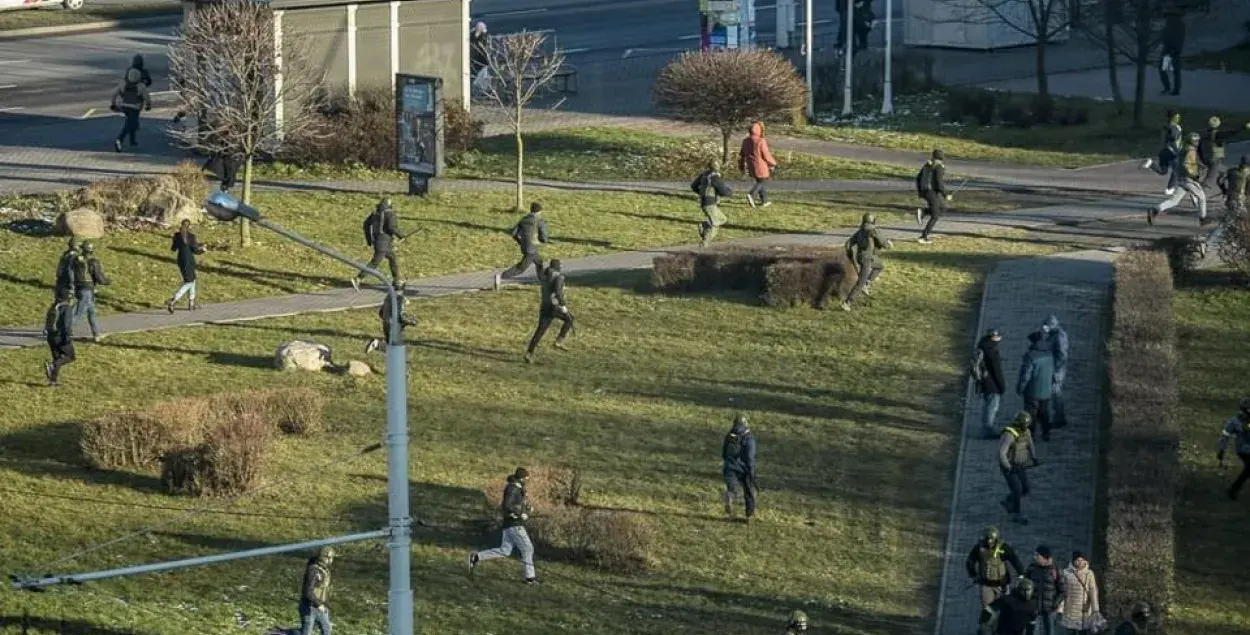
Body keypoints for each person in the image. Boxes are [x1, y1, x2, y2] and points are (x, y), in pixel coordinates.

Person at [469, 467, 539, 584]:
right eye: (526, 479)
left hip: (510, 524)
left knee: (504, 551)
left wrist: (527, 508)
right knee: (528, 548)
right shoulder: (513, 488)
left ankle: (476, 557)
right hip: (515, 524)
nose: (527, 481)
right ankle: (530, 578)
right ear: (521, 478)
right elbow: (507, 506)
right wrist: (521, 514)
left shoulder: (517, 489)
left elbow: (516, 504)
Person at [1148, 132, 1208, 226]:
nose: (1198, 142)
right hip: (1189, 179)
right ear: (1193, 142)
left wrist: (1199, 165)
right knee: (1201, 197)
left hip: (1181, 178)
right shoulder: (1191, 151)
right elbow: (1186, 164)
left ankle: (1155, 209)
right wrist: (1194, 175)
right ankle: (1203, 218)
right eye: (1197, 141)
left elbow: (1184, 162)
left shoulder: (1183, 149)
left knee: (1174, 201)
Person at [351, 198, 410, 291]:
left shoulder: (375, 213)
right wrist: (401, 236)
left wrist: (369, 240)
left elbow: (366, 224)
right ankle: (358, 278)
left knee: (392, 258)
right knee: (375, 262)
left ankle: (397, 280)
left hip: (379, 242)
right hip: (384, 243)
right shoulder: (390, 214)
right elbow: (391, 227)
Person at [837, 213, 892, 312]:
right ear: (873, 221)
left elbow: (848, 243)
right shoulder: (873, 231)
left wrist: (849, 253)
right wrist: (889, 244)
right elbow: (883, 242)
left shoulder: (859, 232)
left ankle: (867, 282)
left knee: (879, 266)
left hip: (862, 258)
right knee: (860, 283)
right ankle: (847, 302)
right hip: (867, 259)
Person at [523, 259, 574, 363]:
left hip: (544, 306)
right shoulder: (559, 277)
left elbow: (539, 273)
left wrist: (539, 265)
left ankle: (529, 353)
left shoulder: (544, 276)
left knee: (540, 331)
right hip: (554, 306)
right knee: (570, 319)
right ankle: (559, 341)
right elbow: (558, 292)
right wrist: (563, 305)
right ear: (558, 267)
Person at [965, 525, 1025, 608]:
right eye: (987, 539)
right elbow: (970, 561)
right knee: (987, 610)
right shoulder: (979, 548)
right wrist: (973, 574)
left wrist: (1021, 573)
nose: (989, 541)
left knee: (1005, 608)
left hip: (1002, 584)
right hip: (986, 584)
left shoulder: (1003, 548)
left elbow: (1013, 558)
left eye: (991, 539)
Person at [495, 202, 550, 289]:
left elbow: (513, 233)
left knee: (539, 262)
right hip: (532, 248)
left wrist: (520, 242)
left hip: (525, 246)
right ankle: (501, 277)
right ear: (539, 212)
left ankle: (543, 280)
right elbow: (543, 236)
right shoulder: (539, 221)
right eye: (540, 212)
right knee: (521, 267)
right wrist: (544, 241)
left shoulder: (523, 219)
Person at [998, 411, 1038, 525]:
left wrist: (1034, 457)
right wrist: (1008, 467)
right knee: (1017, 489)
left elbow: (1030, 444)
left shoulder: (1026, 432)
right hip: (1010, 466)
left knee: (1025, 488)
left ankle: (1009, 500)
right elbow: (1001, 453)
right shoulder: (1009, 435)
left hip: (1021, 465)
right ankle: (1016, 514)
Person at [1017, 331, 1055, 441]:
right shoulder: (1050, 355)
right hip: (1046, 390)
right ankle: (1046, 432)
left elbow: (1026, 375)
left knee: (1030, 413)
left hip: (1032, 390)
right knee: (1044, 411)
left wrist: (1020, 388)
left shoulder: (1030, 356)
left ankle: (1031, 434)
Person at [72, 241, 110, 342]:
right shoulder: (93, 261)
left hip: (79, 288)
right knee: (78, 314)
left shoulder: (76, 259)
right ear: (91, 251)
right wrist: (107, 281)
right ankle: (62, 332)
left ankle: (96, 334)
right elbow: (99, 277)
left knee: (92, 312)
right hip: (87, 290)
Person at [722, 414, 757, 521]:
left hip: (729, 466)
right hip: (744, 468)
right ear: (745, 423)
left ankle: (730, 496)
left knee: (732, 488)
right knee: (749, 491)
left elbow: (724, 452)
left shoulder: (729, 435)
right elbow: (750, 456)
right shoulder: (748, 437)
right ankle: (749, 515)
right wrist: (751, 472)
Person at [365, 283, 418, 355]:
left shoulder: (388, 297)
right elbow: (401, 316)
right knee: (396, 350)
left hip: (386, 325)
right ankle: (377, 344)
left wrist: (386, 319)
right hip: (394, 327)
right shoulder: (399, 299)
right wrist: (412, 321)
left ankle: (378, 345)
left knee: (392, 349)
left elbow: (381, 313)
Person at [1198, 117, 1250, 190]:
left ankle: (1225, 190)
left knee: (1222, 174)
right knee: (1211, 176)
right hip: (1214, 158)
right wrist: (1242, 128)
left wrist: (1201, 158)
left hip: (1206, 157)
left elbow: (1199, 148)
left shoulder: (1204, 134)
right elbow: (1230, 133)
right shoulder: (1216, 134)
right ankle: (1201, 188)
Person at [973, 329, 1007, 439]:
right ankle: (987, 430)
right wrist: (1002, 387)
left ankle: (985, 427)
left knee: (987, 405)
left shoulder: (982, 346)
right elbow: (997, 372)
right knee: (992, 406)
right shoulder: (992, 352)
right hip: (992, 385)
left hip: (983, 381)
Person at [692, 159, 733, 247]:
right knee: (715, 223)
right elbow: (723, 191)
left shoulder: (704, 175)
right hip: (710, 203)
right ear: (718, 167)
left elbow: (693, 186)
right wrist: (730, 192)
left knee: (722, 219)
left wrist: (701, 193)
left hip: (704, 202)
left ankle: (704, 224)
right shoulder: (715, 177)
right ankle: (705, 242)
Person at [1024, 545, 1064, 635]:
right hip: (1033, 606)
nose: (1035, 557)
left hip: (1049, 608)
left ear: (1044, 557)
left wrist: (1055, 604)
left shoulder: (1054, 570)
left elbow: (1062, 590)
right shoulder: (1031, 568)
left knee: (1049, 631)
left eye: (1037, 555)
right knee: (1031, 631)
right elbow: (1024, 585)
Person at [1141, 110, 1183, 194]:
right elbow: (1174, 138)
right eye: (1177, 117)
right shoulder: (1175, 127)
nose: (1178, 118)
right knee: (1176, 170)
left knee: (1163, 171)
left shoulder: (1165, 126)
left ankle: (1151, 164)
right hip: (1172, 152)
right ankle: (1170, 188)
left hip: (1163, 151)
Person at [1059, 552, 1101, 635]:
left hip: (1083, 609)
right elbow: (1063, 591)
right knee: (1070, 631)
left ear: (1084, 560)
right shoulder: (1066, 573)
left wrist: (1095, 608)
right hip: (1069, 609)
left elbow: (1093, 591)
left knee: (1083, 632)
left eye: (1080, 560)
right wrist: (1060, 608)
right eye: (1077, 560)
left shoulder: (1089, 573)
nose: (1078, 562)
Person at [166, 219, 203, 313]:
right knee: (189, 282)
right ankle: (174, 300)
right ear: (189, 226)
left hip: (180, 260)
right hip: (189, 261)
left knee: (192, 279)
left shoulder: (177, 236)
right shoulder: (191, 237)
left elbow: (173, 249)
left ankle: (191, 302)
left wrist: (174, 240)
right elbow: (195, 250)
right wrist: (203, 250)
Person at [110, 67, 151, 153]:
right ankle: (119, 139)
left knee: (131, 122)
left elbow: (114, 94)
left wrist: (113, 104)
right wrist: (148, 105)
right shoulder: (141, 86)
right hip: (135, 108)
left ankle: (132, 141)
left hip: (124, 107)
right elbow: (147, 97)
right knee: (131, 124)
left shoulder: (123, 84)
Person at [915, 149, 951, 244]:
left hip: (926, 191)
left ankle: (924, 212)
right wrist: (945, 194)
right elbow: (939, 183)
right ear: (941, 159)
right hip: (932, 192)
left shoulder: (928, 165)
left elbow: (918, 178)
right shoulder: (939, 167)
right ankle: (923, 237)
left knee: (943, 207)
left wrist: (920, 192)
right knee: (935, 216)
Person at [739, 121, 777, 209]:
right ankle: (751, 194)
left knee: (759, 182)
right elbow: (766, 155)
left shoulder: (745, 141)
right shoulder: (761, 141)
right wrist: (773, 163)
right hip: (761, 165)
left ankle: (765, 201)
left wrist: (741, 166)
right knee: (762, 181)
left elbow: (742, 154)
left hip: (751, 166)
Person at [1217, 397, 1250, 500]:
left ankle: (1233, 489)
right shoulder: (1234, 422)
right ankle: (1233, 489)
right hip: (1244, 450)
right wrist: (1222, 450)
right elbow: (1225, 436)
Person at [297, 547, 334, 635]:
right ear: (324, 557)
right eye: (330, 558)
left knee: (327, 629)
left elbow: (324, 591)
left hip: (321, 607)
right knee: (306, 632)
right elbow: (308, 592)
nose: (331, 560)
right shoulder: (313, 570)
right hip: (309, 607)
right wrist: (318, 604)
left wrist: (326, 606)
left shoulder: (324, 570)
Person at [1041, 315, 1069, 429]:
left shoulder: (1059, 336)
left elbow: (1062, 355)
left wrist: (1055, 369)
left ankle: (1059, 417)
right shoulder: (1054, 334)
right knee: (1055, 392)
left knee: (1056, 392)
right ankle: (1058, 416)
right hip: (1054, 368)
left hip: (1057, 369)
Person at [43, 298, 76, 388]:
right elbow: (66, 325)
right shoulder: (67, 308)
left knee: (58, 358)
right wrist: (68, 338)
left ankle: (53, 381)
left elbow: (48, 320)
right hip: (60, 336)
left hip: (50, 336)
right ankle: (52, 366)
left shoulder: (54, 305)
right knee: (70, 357)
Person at [1159, 9, 1185, 96]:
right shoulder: (1180, 25)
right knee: (1173, 71)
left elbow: (1165, 37)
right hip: (1174, 50)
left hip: (1170, 50)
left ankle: (1169, 88)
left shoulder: (1171, 25)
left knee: (1164, 69)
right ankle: (1174, 89)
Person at [53, 238, 79, 303]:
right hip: (67, 282)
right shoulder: (74, 256)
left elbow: (59, 267)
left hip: (60, 280)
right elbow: (70, 270)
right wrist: (72, 283)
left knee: (58, 300)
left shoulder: (65, 254)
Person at [470, 21, 490, 91]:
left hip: (478, 59)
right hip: (477, 59)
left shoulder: (482, 36)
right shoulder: (480, 35)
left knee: (475, 72)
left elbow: (479, 43)